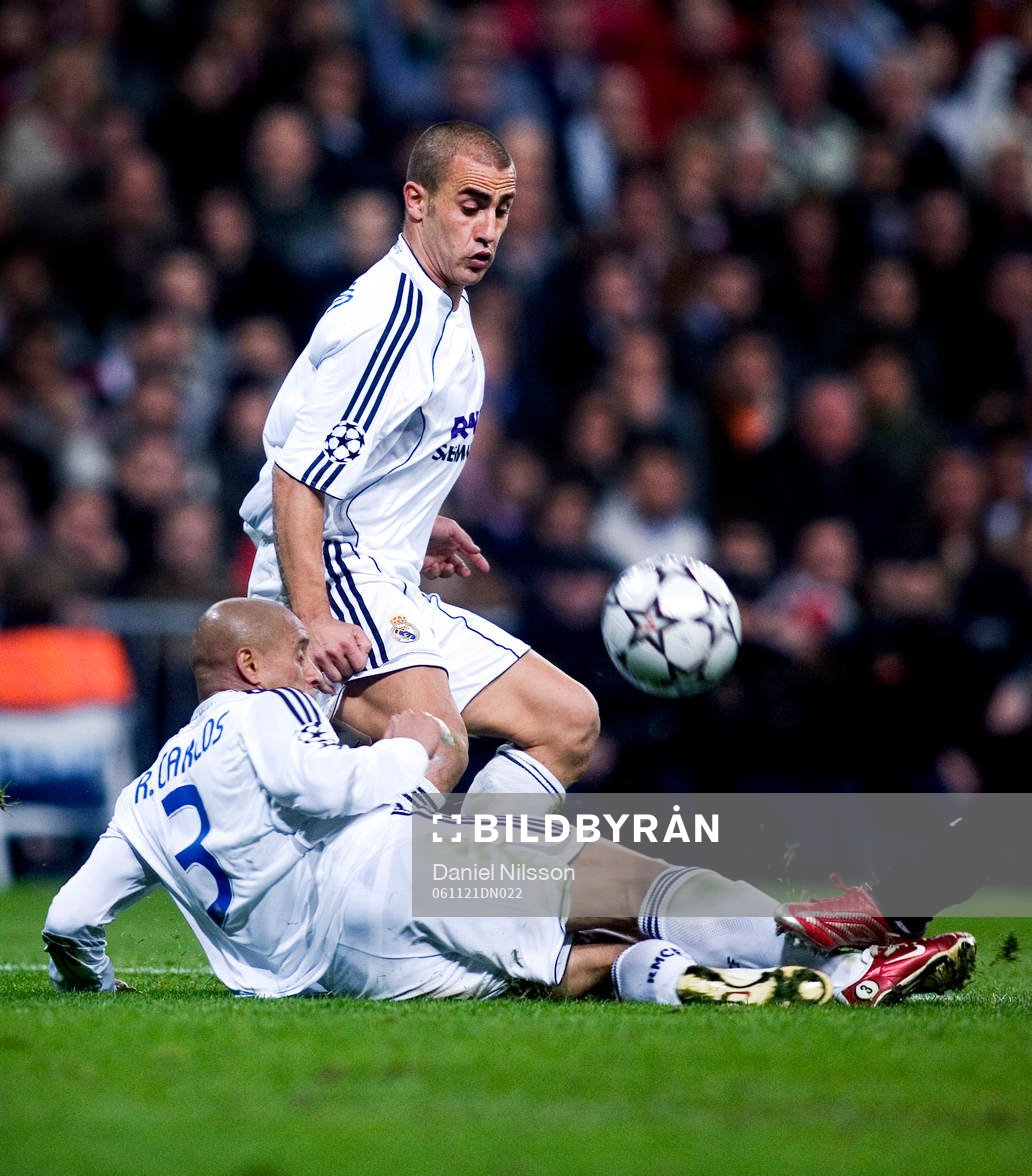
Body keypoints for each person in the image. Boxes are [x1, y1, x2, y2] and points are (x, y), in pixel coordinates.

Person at [43, 599, 977, 1007]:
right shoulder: (254, 721)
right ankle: (829, 935)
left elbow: (70, 919)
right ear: (248, 667)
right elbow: (320, 785)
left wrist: (94, 980)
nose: (316, 665)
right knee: (618, 876)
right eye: (298, 650)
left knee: (585, 970)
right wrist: (409, 749)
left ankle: (815, 980)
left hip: (349, 974)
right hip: (392, 875)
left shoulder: (143, 792)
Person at [239, 120, 599, 802]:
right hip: (336, 572)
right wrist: (312, 622)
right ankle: (398, 898)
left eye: (502, 210)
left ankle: (484, 889)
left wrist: (411, 519)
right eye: (470, 206)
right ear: (417, 200)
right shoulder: (393, 321)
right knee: (436, 742)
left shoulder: (446, 309)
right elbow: (295, 477)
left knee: (569, 721)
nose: (488, 229)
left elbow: (360, 453)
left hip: (387, 576)